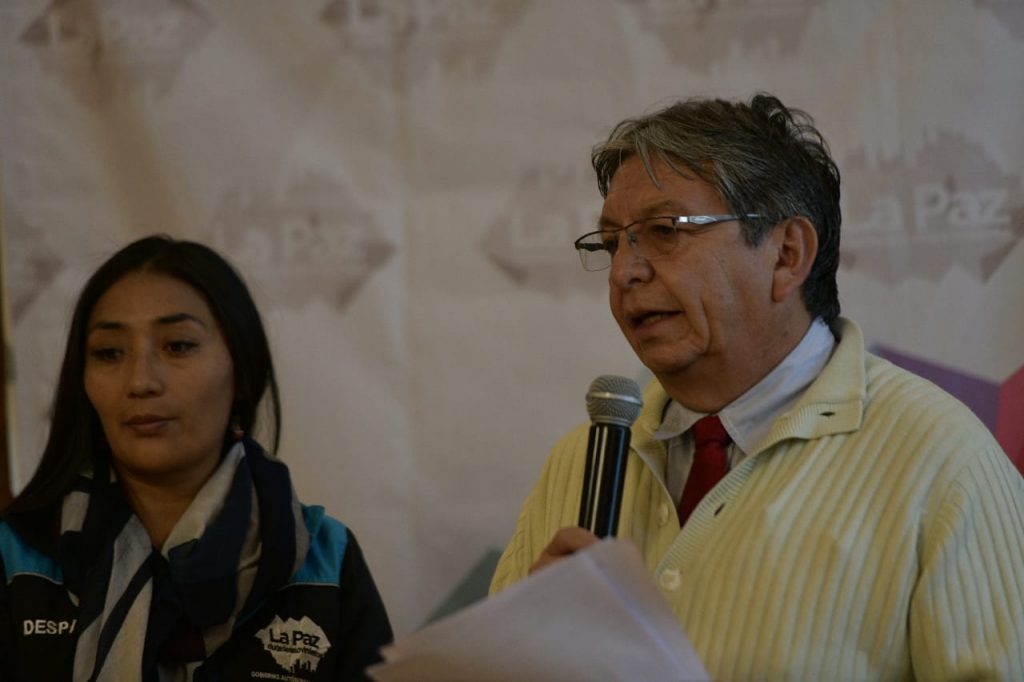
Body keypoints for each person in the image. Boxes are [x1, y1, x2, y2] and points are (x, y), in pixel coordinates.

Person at [490, 94, 1024, 679]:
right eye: (613, 243)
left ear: (787, 255)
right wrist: (527, 649)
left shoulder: (942, 462)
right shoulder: (578, 465)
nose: (624, 273)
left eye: (665, 231)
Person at [0, 235, 393, 680]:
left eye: (178, 346)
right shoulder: (16, 559)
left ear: (243, 371)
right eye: (109, 353)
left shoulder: (325, 562)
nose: (141, 381)